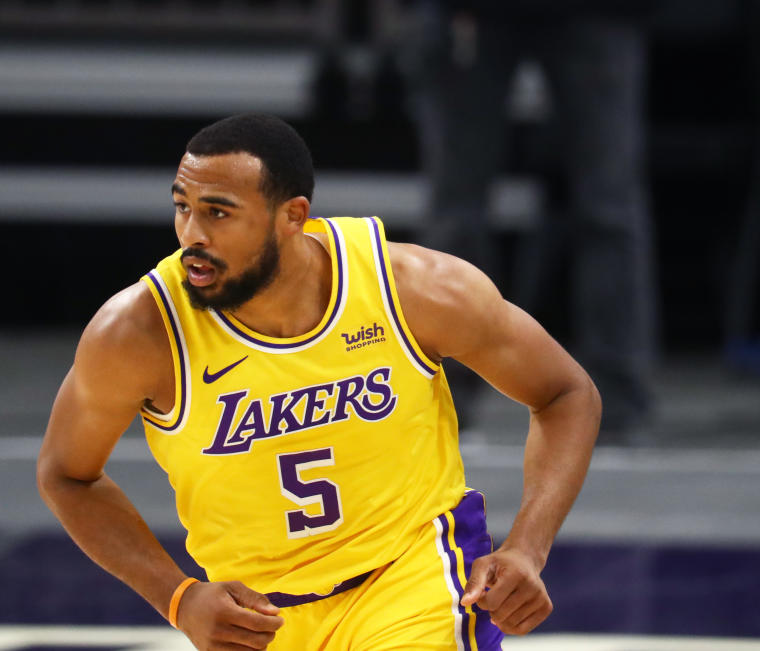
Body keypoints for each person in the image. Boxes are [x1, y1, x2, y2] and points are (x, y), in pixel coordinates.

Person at [37, 113, 601, 650]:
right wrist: (178, 597)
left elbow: (565, 393)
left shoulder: (413, 290)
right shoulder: (138, 332)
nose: (192, 235)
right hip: (257, 619)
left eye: (219, 212)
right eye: (182, 208)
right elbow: (66, 475)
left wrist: (528, 547)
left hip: (411, 577)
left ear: (293, 215)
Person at [411, 1, 658, 439]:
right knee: (457, 213)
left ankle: (618, 397)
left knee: (609, 209)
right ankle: (439, 391)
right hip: (470, 12)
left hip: (597, 14)